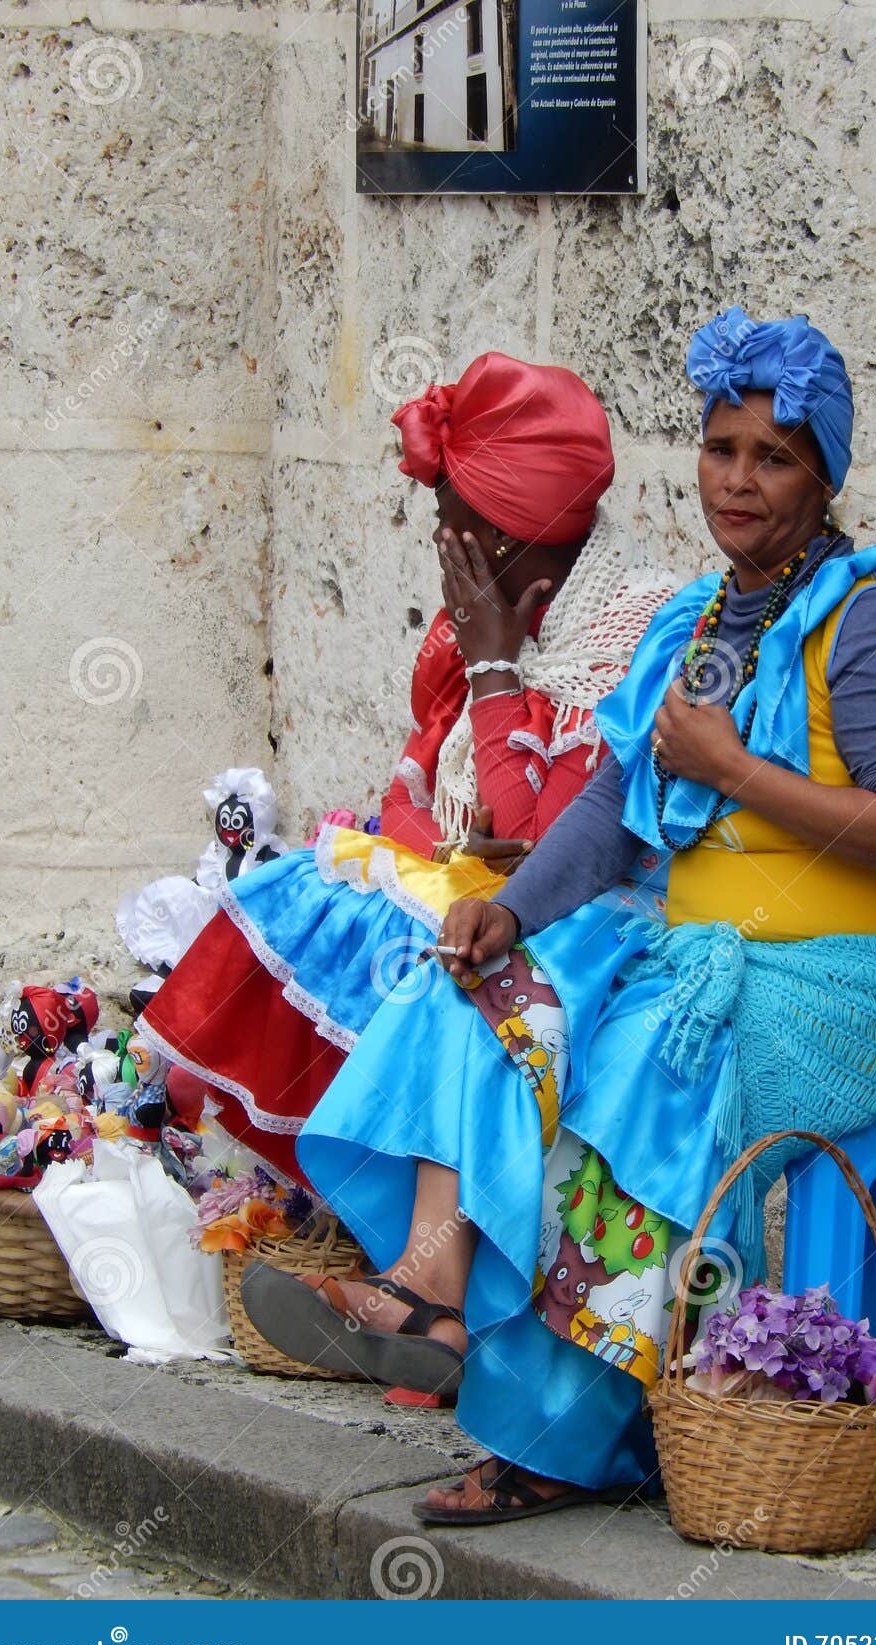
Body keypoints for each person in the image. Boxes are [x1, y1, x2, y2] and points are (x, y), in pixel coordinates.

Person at [241, 309, 876, 1524]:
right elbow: (614, 809)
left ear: (825, 474)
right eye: (720, 448)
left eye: (774, 457)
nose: (737, 480)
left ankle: (564, 1437)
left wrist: (739, 770)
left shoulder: (872, 615)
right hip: (709, 946)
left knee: (643, 1067)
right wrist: (512, 912)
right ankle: (432, 1284)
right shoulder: (706, 622)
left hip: (866, 980)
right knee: (486, 986)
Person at [138, 352, 682, 1180]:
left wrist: (495, 671)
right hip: (495, 896)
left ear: (505, 538)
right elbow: (420, 798)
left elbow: (539, 849)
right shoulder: (494, 621)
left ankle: (393, 1230)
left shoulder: (623, 638)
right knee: (316, 888)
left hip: (592, 928)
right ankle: (342, 1201)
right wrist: (432, 841)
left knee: (359, 916)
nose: (437, 538)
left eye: (448, 518)